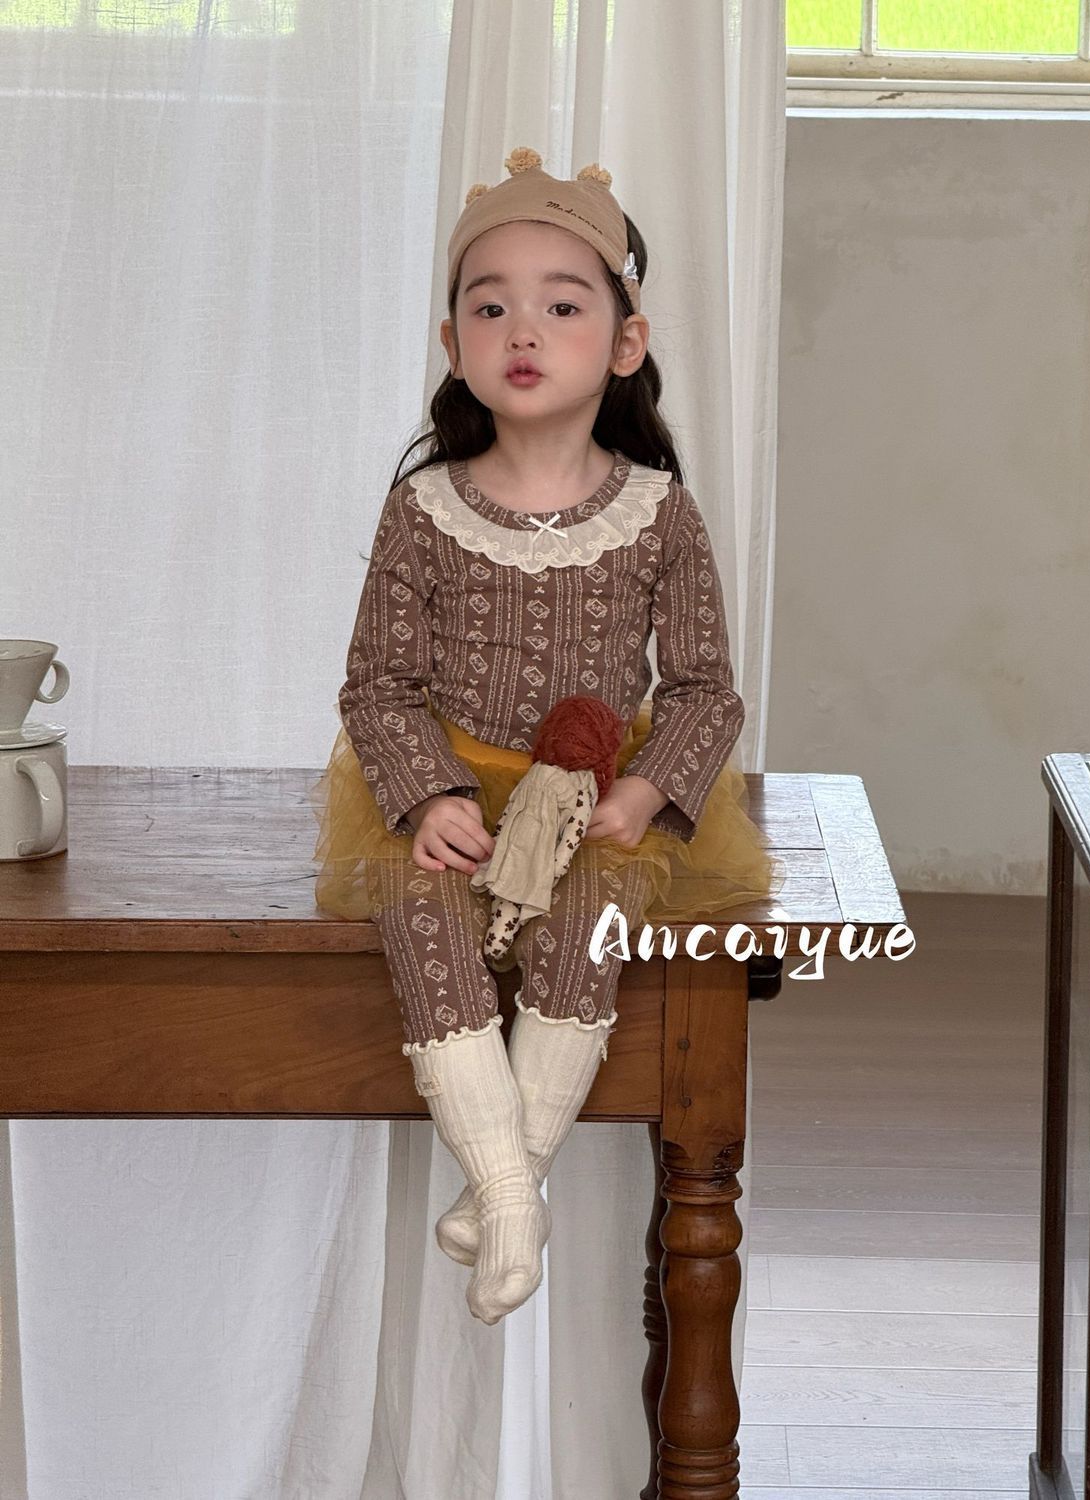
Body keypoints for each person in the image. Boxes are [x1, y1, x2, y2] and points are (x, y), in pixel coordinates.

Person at [309, 145, 784, 1327]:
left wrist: (644, 795)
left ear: (624, 342)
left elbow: (706, 692)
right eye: (490, 307)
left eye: (563, 305)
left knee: (593, 919)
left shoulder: (659, 513)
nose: (523, 329)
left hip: (596, 793)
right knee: (420, 916)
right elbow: (378, 685)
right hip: (454, 786)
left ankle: (499, 1193)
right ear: (453, 342)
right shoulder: (422, 510)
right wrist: (429, 799)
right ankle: (515, 1199)